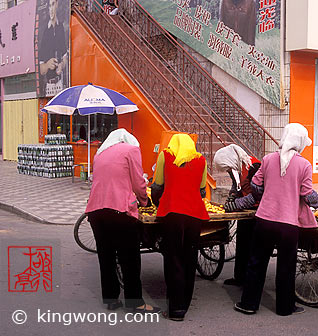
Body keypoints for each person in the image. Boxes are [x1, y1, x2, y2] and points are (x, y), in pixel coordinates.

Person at [234, 123, 318, 316]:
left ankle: (249, 304)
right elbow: (308, 195)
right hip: (288, 225)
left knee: (256, 263)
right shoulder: (304, 165)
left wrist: (269, 193)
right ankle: (285, 308)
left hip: (264, 220)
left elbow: (256, 186)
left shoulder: (267, 159)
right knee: (286, 267)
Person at [85, 129, 160, 313]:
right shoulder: (130, 150)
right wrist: (145, 201)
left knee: (106, 256)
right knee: (129, 258)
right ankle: (135, 303)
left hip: (96, 211)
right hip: (119, 211)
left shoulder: (100, 153)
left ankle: (111, 300)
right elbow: (138, 183)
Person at [151, 134, 209, 322]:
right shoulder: (201, 159)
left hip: (172, 213)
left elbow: (157, 185)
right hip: (194, 215)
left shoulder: (165, 156)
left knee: (173, 257)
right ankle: (184, 304)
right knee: (189, 257)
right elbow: (201, 191)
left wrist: (157, 202)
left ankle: (175, 308)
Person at [213, 144, 261, 287]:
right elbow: (236, 185)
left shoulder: (254, 167)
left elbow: (257, 195)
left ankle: (250, 281)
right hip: (245, 213)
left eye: (227, 168)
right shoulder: (237, 168)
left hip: (256, 212)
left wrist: (238, 204)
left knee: (252, 247)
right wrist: (232, 197)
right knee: (242, 244)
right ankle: (239, 277)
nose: (228, 171)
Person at [39, 0, 69, 97]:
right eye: (49, 6)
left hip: (60, 83)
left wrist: (62, 65)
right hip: (49, 86)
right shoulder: (43, 31)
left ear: (57, 5)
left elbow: (65, 55)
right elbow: (40, 68)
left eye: (52, 5)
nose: (51, 9)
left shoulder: (60, 27)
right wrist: (47, 65)